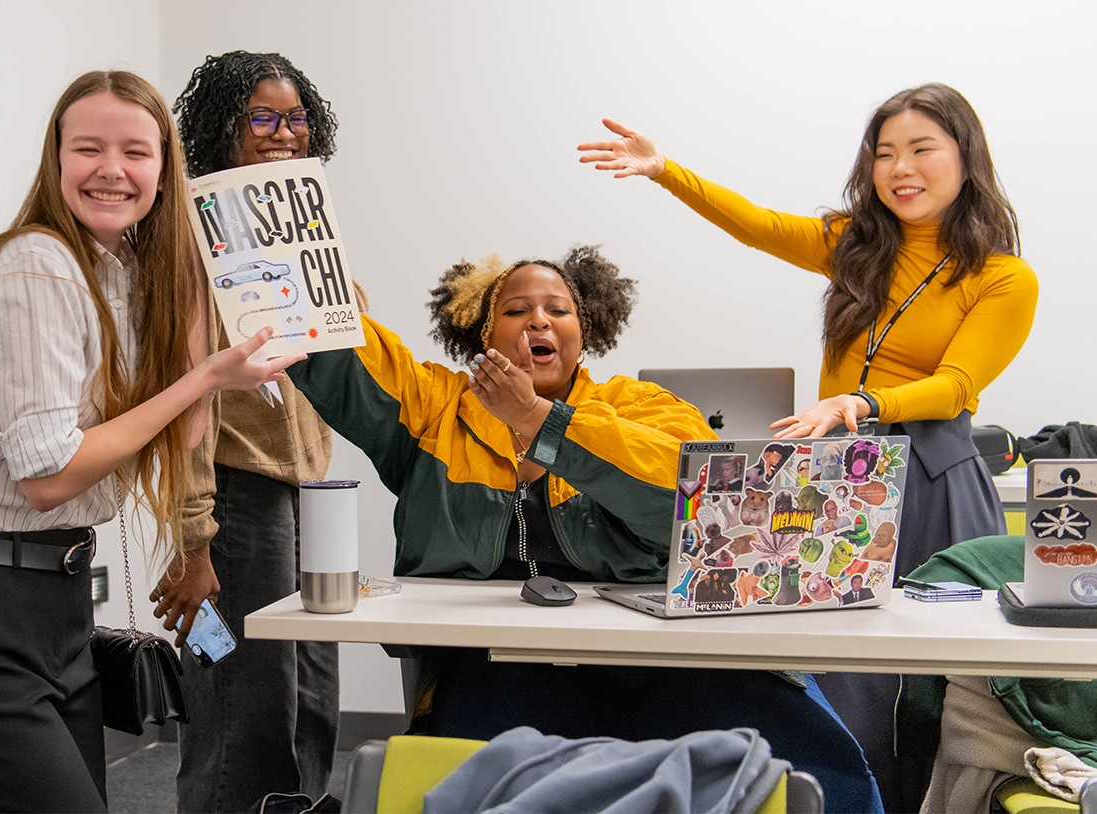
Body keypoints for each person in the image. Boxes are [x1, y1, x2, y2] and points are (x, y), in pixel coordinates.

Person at [286, 245, 884, 814]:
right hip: (500, 654)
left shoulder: (640, 405)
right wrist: (286, 260)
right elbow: (347, 354)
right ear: (483, 335)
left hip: (662, 651)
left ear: (584, 330)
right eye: (515, 311)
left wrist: (541, 422)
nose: (537, 322)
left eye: (557, 310)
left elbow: (693, 492)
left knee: (801, 761)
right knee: (491, 765)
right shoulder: (436, 407)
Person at [577, 83, 1038, 813]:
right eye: (885, 153)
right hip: (842, 473)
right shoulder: (856, 245)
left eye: (921, 149)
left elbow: (954, 386)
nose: (900, 168)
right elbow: (757, 225)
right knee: (843, 675)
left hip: (931, 473)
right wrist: (666, 170)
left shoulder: (1004, 277)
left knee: (939, 686)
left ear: (964, 158)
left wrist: (863, 402)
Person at [0, 70, 299, 814]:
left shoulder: (125, 272)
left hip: (58, 608)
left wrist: (202, 324)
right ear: (56, 159)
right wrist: (203, 377)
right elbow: (48, 476)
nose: (112, 170)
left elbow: (185, 428)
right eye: (88, 149)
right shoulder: (36, 267)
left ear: (163, 169)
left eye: (136, 152)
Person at [150, 51, 358, 813]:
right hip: (235, 503)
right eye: (260, 118)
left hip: (313, 494)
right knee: (241, 698)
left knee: (313, 696)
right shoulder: (190, 241)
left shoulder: (306, 231)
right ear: (222, 129)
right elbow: (186, 403)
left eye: (294, 117)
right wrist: (193, 543)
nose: (281, 132)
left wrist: (328, 273)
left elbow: (343, 353)